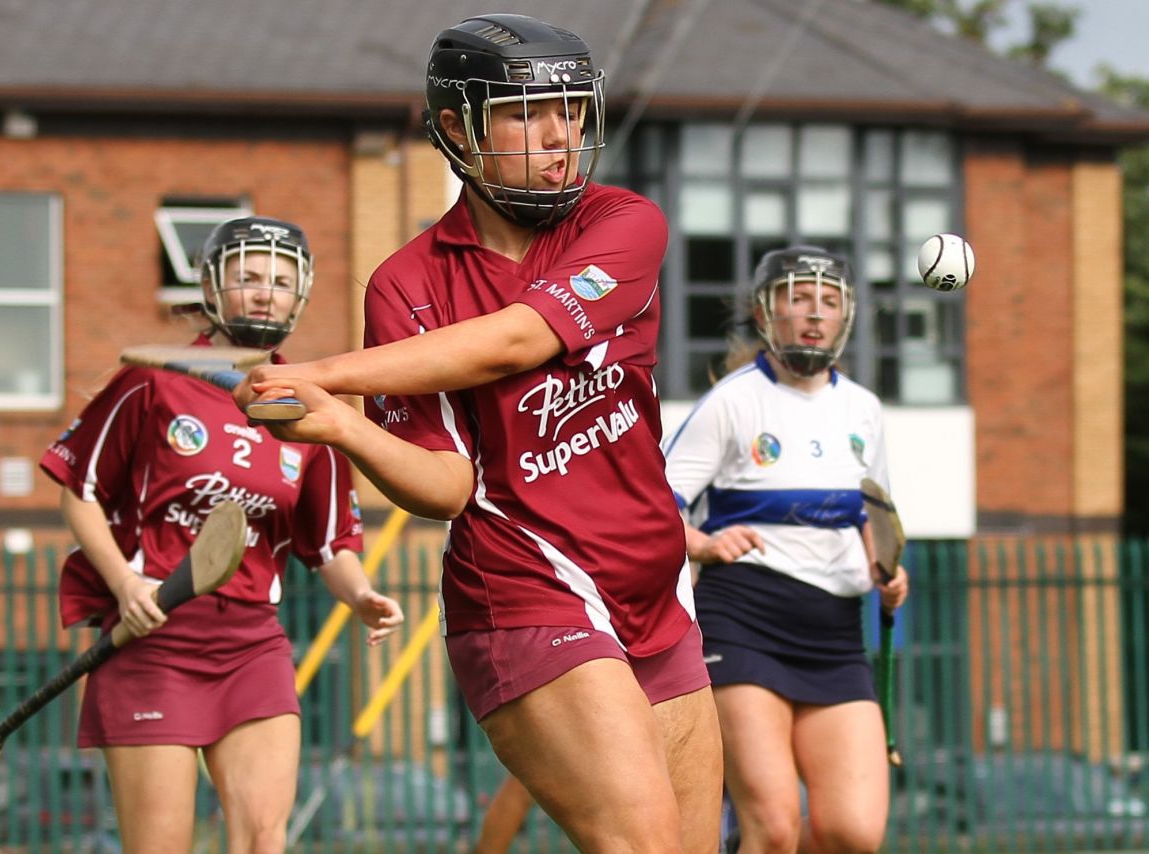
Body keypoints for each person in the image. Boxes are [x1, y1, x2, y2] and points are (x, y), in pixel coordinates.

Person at [232, 13, 724, 852]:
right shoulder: (406, 284)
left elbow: (518, 338)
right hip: (527, 592)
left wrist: (324, 374)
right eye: (528, 113)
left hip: (655, 590)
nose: (559, 135)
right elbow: (447, 486)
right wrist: (340, 429)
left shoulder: (623, 223)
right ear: (458, 129)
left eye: (569, 110)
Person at [39, 216, 404, 854]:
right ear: (213, 286)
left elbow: (328, 544)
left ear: (303, 295)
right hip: (154, 643)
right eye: (248, 277)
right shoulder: (154, 383)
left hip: (252, 647)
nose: (265, 292)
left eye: (281, 281)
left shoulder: (307, 409)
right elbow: (80, 491)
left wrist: (360, 594)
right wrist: (123, 583)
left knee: (265, 842)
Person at [661, 245, 910, 854]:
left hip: (835, 635)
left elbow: (872, 515)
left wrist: (887, 570)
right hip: (743, 620)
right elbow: (653, 504)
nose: (813, 315)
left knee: (851, 833)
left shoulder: (864, 410)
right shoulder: (733, 401)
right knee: (771, 829)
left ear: (846, 316)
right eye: (797, 298)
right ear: (765, 312)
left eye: (828, 302)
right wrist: (704, 543)